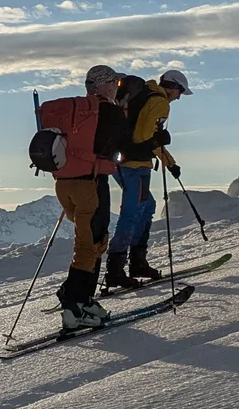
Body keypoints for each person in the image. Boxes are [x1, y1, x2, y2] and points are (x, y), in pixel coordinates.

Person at [52, 66, 129, 331]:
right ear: (105, 85)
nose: (117, 86)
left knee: (88, 240)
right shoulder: (108, 111)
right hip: (92, 184)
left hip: (65, 184)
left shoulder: (77, 112)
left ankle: (83, 298)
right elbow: (121, 146)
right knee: (92, 244)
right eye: (115, 82)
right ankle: (74, 305)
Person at [105, 68, 190, 290]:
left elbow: (146, 137)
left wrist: (169, 162)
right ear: (173, 87)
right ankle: (118, 269)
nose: (179, 97)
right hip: (136, 165)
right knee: (132, 213)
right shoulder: (160, 103)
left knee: (147, 205)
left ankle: (135, 263)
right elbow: (143, 137)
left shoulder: (144, 95)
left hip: (120, 162)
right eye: (179, 91)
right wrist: (159, 141)